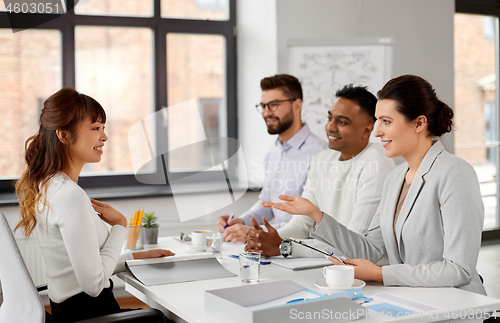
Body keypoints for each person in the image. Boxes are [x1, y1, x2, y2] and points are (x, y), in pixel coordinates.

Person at [263, 75, 486, 295]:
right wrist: (316, 215)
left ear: (419, 123)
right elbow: (370, 249)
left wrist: (381, 274)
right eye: (378, 121)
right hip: (413, 299)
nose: (377, 131)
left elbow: (459, 270)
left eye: (386, 122)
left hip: (458, 306)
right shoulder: (396, 178)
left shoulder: (455, 173)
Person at [15, 88, 176, 322]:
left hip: (75, 314)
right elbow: (94, 284)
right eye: (95, 128)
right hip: (94, 315)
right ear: (64, 135)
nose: (104, 137)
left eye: (103, 128)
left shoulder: (49, 186)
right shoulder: (69, 195)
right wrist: (121, 225)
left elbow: (88, 268)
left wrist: (136, 257)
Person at [245, 85, 395, 257]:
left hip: (361, 274)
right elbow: (302, 224)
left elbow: (355, 244)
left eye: (342, 122)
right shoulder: (322, 160)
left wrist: (284, 247)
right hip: (327, 264)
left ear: (367, 130)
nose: (330, 127)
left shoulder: (376, 161)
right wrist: (267, 239)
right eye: (330, 118)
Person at [217, 74, 326, 242]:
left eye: (274, 105)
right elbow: (267, 203)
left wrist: (254, 232)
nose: (266, 113)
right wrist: (242, 221)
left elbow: (310, 222)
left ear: (297, 105)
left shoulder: (321, 154)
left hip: (306, 251)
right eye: (263, 106)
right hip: (279, 248)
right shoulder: (273, 153)